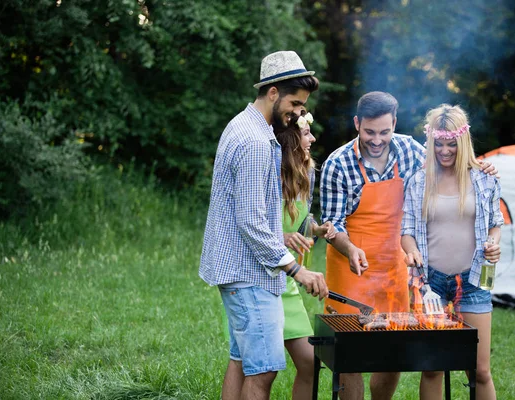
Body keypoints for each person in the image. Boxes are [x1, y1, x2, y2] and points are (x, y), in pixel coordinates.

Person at [319, 92, 497, 400]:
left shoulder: (409, 150)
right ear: (357, 123)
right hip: (352, 268)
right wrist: (349, 249)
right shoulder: (338, 164)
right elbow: (332, 223)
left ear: (395, 125)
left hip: (394, 267)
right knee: (352, 358)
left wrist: (478, 164)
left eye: (384, 132)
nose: (377, 140)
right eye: (369, 132)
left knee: (392, 352)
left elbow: (448, 159)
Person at [199, 50, 329, 400]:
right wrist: (296, 271)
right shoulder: (256, 142)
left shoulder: (243, 125)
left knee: (241, 360)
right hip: (249, 273)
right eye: (295, 103)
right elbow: (253, 223)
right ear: (273, 92)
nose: (298, 113)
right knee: (264, 369)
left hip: (241, 270)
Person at [401, 104, 502, 400]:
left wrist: (493, 243)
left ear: (463, 142)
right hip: (431, 284)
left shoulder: (484, 178)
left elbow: (496, 223)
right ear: (430, 143)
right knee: (432, 367)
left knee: (479, 370)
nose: (445, 151)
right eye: (439, 144)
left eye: (452, 145)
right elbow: (406, 232)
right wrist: (411, 252)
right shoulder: (419, 181)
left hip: (475, 281)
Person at [274, 110, 337, 399]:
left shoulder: (308, 170)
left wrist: (317, 228)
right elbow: (255, 226)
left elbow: (300, 224)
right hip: (257, 274)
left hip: (285, 278)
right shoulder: (270, 168)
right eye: (306, 133)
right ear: (290, 139)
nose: (312, 138)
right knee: (259, 367)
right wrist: (284, 237)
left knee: (310, 362)